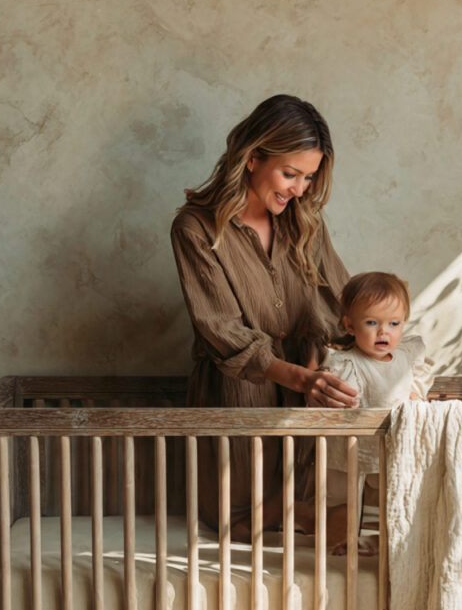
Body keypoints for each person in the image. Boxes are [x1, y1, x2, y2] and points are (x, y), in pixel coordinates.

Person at [171, 94, 359, 532]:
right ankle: (305, 518)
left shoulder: (305, 222)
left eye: (309, 178)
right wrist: (300, 377)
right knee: (236, 522)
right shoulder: (196, 228)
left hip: (307, 396)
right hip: (238, 392)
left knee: (306, 509)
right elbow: (221, 330)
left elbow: (344, 309)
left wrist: (394, 359)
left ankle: (315, 520)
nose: (299, 189)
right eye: (290, 173)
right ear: (253, 158)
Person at [322, 272, 434, 554]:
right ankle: (340, 542)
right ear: (350, 325)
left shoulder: (407, 355)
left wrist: (416, 394)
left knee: (397, 492)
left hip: (394, 443)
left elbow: (420, 375)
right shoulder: (347, 362)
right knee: (343, 495)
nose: (383, 332)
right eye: (372, 323)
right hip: (352, 443)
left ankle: (389, 543)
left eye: (393, 324)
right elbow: (345, 394)